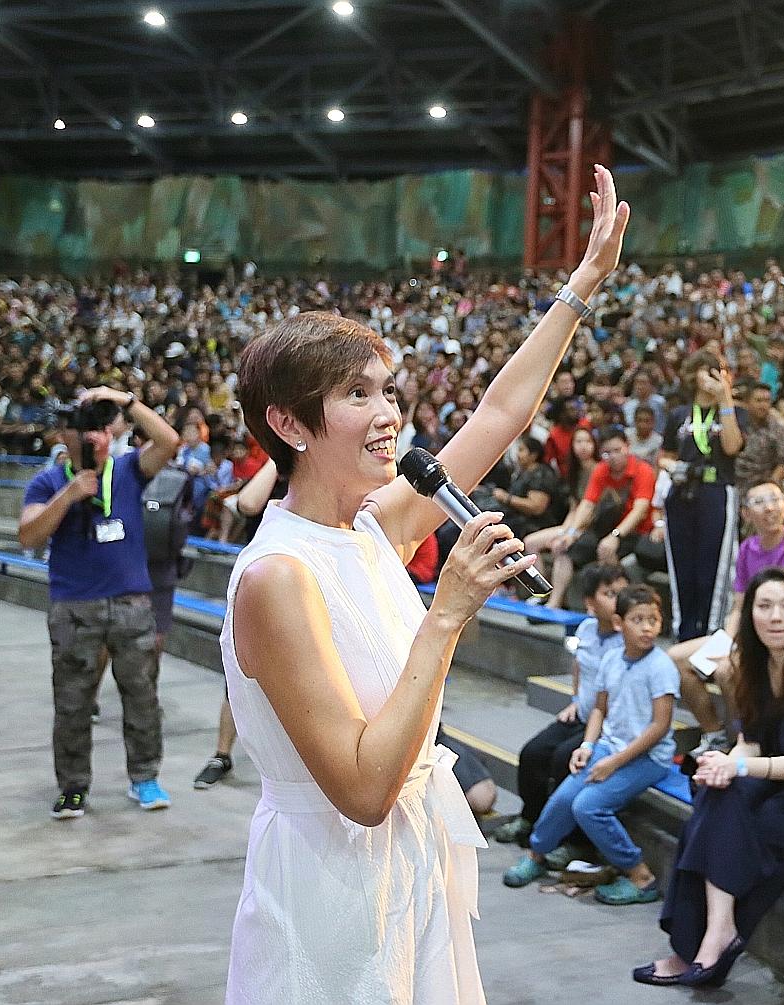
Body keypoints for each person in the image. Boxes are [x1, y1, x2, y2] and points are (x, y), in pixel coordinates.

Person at [219, 163, 627, 1003]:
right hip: (329, 889)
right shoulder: (277, 576)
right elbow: (364, 788)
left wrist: (580, 287)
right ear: (289, 424)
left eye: (389, 389)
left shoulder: (369, 522)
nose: (389, 414)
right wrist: (446, 615)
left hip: (409, 864)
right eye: (357, 394)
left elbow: (497, 415)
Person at [636, 568, 784, 988]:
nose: (777, 617)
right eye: (766, 606)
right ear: (750, 614)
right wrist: (724, 764)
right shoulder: (754, 668)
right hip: (776, 781)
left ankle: (704, 943)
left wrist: (738, 767)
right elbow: (752, 742)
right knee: (713, 797)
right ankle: (714, 935)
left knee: (730, 819)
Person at [22, 388, 181, 819]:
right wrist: (70, 495)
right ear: (64, 435)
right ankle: (73, 787)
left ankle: (145, 777)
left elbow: (168, 441)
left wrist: (124, 400)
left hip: (131, 603)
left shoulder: (128, 470)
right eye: (83, 430)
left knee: (142, 695)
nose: (93, 438)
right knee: (72, 702)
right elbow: (29, 536)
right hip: (75, 607)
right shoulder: (48, 481)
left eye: (99, 429)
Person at [503, 585, 676, 906]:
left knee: (589, 806)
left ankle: (641, 876)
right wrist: (587, 745)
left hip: (647, 757)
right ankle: (537, 855)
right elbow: (599, 709)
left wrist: (614, 762)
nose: (648, 627)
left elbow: (660, 726)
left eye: (653, 619)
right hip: (609, 747)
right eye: (638, 619)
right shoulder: (612, 659)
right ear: (619, 622)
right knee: (564, 798)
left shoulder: (661, 667)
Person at [674, 482, 784, 754]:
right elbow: (738, 606)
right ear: (745, 513)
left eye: (774, 500)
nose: (769, 508)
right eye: (760, 502)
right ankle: (715, 732)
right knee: (675, 658)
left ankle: (747, 738)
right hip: (747, 633)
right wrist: (729, 642)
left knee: (725, 670)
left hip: (780, 638)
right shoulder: (747, 548)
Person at [493, 563, 627, 846]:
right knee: (532, 752)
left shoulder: (628, 641)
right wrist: (575, 700)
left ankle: (569, 840)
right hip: (582, 714)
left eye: (622, 593)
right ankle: (531, 817)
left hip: (607, 725)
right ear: (590, 602)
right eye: (609, 593)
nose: (618, 599)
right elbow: (579, 667)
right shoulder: (587, 628)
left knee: (565, 758)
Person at [194, 457, 282, 790]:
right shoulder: (283, 466)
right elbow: (247, 503)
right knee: (240, 677)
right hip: (264, 581)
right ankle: (221, 754)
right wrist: (280, 457)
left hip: (315, 584)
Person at [663, 351, 746, 641]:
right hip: (682, 491)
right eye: (706, 369)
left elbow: (733, 446)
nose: (712, 375)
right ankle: (684, 631)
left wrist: (725, 401)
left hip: (716, 492)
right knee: (682, 568)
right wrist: (673, 466)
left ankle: (711, 632)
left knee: (713, 568)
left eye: (719, 370)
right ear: (693, 373)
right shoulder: (678, 414)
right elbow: (665, 454)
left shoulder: (735, 413)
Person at [527, 426, 654, 609]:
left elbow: (639, 510)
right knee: (564, 548)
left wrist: (615, 535)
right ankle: (553, 602)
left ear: (628, 446)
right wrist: (571, 533)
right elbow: (587, 504)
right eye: (607, 453)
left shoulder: (643, 470)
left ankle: (613, 608)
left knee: (605, 549)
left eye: (617, 450)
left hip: (634, 532)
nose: (613, 456)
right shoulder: (601, 470)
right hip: (604, 528)